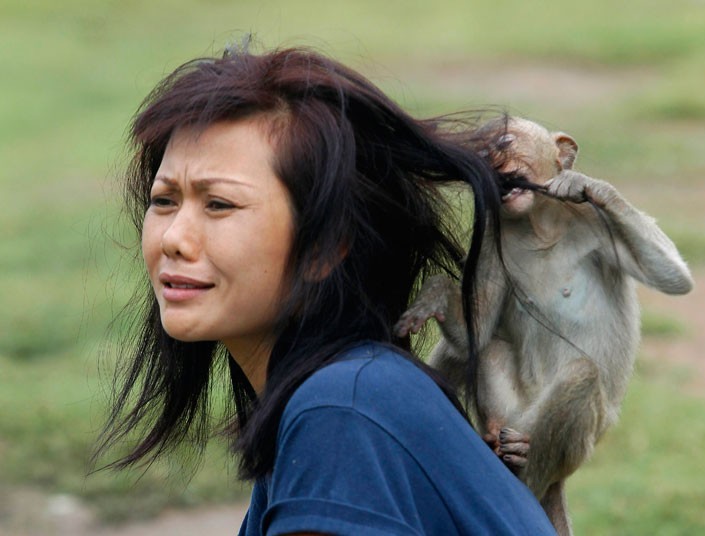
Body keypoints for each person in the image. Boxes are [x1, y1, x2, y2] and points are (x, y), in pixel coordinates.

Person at [95, 43, 557, 535]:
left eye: (220, 205)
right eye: (164, 200)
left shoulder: (342, 413)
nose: (173, 238)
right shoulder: (345, 391)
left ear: (327, 246)